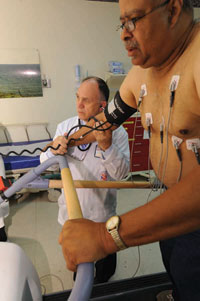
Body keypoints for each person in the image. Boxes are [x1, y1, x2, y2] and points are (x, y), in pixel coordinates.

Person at [59, 1, 200, 300]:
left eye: (133, 20)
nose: (124, 34)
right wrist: (70, 140)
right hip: (169, 201)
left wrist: (103, 236)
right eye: (121, 24)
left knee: (191, 272)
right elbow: (104, 120)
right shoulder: (140, 74)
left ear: (173, 11)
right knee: (174, 264)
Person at [40, 76, 130, 283]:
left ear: (102, 105)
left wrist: (107, 146)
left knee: (105, 270)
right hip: (71, 213)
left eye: (86, 100)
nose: (79, 104)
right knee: (80, 268)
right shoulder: (65, 127)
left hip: (102, 213)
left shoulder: (118, 133)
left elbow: (122, 175)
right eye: (77, 97)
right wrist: (55, 150)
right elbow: (46, 164)